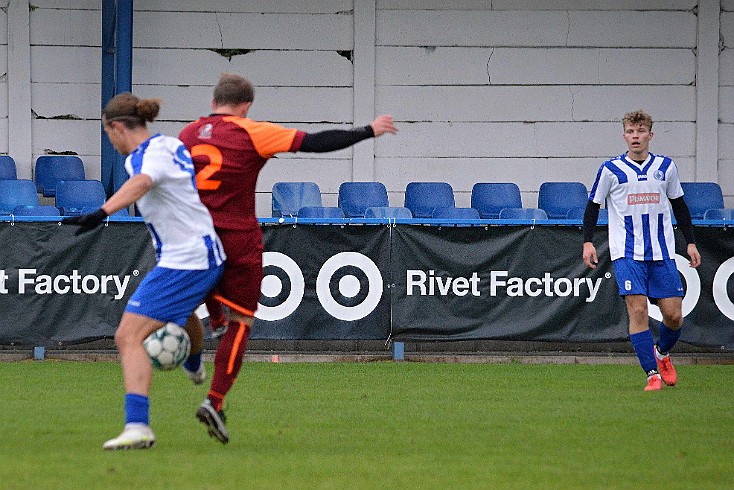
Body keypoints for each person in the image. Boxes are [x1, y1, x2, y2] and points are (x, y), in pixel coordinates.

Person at [178, 73, 397, 443]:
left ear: (214, 102)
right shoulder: (253, 132)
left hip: (194, 236)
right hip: (238, 240)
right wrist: (367, 131)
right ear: (245, 106)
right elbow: (315, 143)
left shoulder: (186, 136)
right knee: (242, 321)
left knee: (179, 299)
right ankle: (214, 400)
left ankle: (199, 344)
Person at [63, 93, 226, 449]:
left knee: (127, 336)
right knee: (181, 313)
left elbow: (143, 183)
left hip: (187, 259)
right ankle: (195, 363)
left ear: (118, 127)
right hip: (198, 253)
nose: (111, 141)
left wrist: (102, 212)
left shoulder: (146, 157)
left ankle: (138, 426)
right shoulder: (169, 143)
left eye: (109, 134)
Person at [582, 110, 701, 391]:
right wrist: (587, 241)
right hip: (626, 253)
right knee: (638, 310)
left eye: (640, 131)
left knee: (673, 316)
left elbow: (680, 206)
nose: (635, 136)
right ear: (624, 135)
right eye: (630, 132)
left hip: (661, 253)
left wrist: (691, 241)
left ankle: (661, 355)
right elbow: (592, 207)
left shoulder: (666, 167)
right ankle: (651, 375)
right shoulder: (611, 170)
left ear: (650, 134)